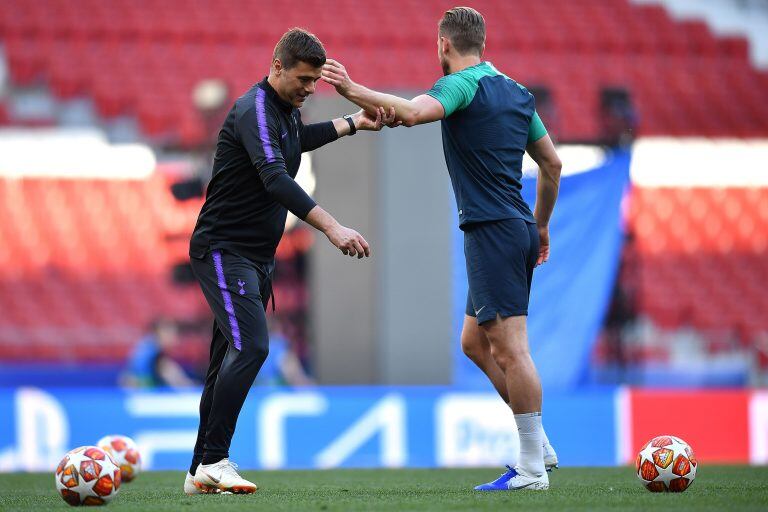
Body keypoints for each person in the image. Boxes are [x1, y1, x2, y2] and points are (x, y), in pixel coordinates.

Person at [321, 7, 562, 491]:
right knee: (474, 342)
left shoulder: (462, 84)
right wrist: (540, 228)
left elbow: (412, 113)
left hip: (491, 230)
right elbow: (552, 165)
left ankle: (533, 468)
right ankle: (540, 444)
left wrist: (350, 89)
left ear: (444, 45)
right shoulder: (518, 93)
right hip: (515, 226)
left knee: (512, 348)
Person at [185, 28, 395, 495]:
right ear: (276, 66)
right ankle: (216, 460)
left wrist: (353, 123)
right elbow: (275, 178)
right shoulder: (253, 110)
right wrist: (332, 226)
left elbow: (298, 140)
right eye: (301, 78)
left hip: (254, 258)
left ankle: (199, 468)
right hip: (224, 251)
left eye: (314, 81)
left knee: (225, 360)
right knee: (254, 346)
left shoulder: (284, 114)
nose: (308, 88)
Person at [121, 318, 196, 389]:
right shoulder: (153, 353)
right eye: (171, 333)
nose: (174, 338)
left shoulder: (147, 344)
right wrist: (188, 386)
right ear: (160, 332)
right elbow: (131, 380)